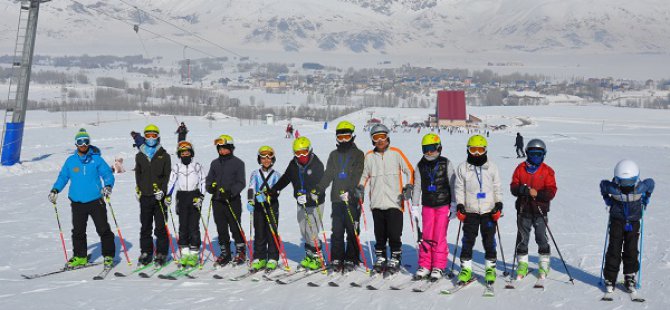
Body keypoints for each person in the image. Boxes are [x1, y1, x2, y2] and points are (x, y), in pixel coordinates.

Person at [49, 128, 115, 268]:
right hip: (77, 202)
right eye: (80, 142)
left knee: (103, 229)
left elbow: (107, 174)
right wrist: (55, 189)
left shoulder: (96, 159)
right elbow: (63, 177)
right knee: (78, 231)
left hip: (96, 200)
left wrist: (108, 186)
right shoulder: (71, 161)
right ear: (76, 144)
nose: (83, 144)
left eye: (86, 141)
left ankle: (108, 255)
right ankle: (80, 256)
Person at [356, 124, 414, 274]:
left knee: (394, 233)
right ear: (372, 140)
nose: (380, 140)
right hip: (376, 202)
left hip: (395, 201)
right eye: (376, 137)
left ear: (388, 137)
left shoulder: (396, 153)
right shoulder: (369, 157)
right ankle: (381, 257)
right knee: (379, 234)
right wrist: (361, 187)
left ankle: (395, 257)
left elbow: (410, 171)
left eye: (383, 136)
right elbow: (363, 175)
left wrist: (409, 186)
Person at [313, 121, 365, 273]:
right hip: (336, 198)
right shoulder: (333, 155)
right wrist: (319, 188)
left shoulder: (358, 154)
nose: (343, 140)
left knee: (352, 229)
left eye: (346, 136)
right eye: (340, 137)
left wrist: (350, 190)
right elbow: (328, 174)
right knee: (336, 230)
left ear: (352, 136)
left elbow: (358, 174)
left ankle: (351, 257)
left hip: (352, 198)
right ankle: (337, 258)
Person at [270, 137, 325, 270]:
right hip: (301, 202)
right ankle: (309, 256)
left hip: (315, 203)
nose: (301, 156)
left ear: (309, 150)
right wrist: (274, 189)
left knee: (312, 231)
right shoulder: (293, 164)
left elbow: (320, 187)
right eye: (297, 153)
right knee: (304, 231)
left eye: (304, 152)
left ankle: (318, 259)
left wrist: (309, 197)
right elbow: (286, 178)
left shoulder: (317, 164)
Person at [454, 135, 503, 285]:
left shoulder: (492, 167)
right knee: (468, 240)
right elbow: (459, 188)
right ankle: (466, 269)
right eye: (473, 149)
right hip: (471, 211)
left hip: (488, 210)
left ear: (485, 150)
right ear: (468, 150)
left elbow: (497, 188)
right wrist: (460, 205)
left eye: (480, 150)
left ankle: (490, 268)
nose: (476, 153)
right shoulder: (462, 168)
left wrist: (498, 204)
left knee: (489, 240)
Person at [600, 160, 654, 293]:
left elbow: (651, 183)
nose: (626, 186)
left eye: (630, 182)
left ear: (636, 178)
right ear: (617, 179)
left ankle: (630, 277)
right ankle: (610, 278)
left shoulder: (641, 187)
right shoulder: (613, 188)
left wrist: (647, 198)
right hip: (617, 221)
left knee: (631, 249)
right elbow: (603, 185)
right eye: (623, 182)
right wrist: (607, 199)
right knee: (614, 249)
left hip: (634, 221)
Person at [510, 139, 557, 280]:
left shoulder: (547, 171)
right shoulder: (521, 168)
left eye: (538, 153)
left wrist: (539, 194)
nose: (535, 156)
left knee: (541, 237)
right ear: (527, 153)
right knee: (522, 239)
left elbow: (552, 191)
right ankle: (522, 265)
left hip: (540, 211)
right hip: (524, 210)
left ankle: (543, 263)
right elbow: (513, 187)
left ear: (543, 154)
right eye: (532, 153)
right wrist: (523, 190)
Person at [411, 133, 456, 280]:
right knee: (426, 236)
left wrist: (454, 204)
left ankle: (438, 266)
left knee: (439, 237)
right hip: (428, 206)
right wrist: (415, 205)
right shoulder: (420, 165)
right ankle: (425, 265)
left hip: (443, 205)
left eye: (432, 148)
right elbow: (417, 186)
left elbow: (453, 184)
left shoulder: (446, 163)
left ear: (439, 148)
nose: (429, 152)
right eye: (425, 149)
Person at [205, 135, 247, 267]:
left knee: (235, 226)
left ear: (230, 148)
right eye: (219, 149)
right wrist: (210, 187)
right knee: (221, 228)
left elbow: (241, 182)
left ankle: (241, 251)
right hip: (218, 201)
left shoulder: (238, 163)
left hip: (232, 200)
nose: (222, 151)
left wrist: (231, 192)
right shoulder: (214, 163)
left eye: (224, 148)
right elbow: (209, 179)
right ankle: (225, 253)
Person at [135, 124, 172, 266]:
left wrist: (163, 191)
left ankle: (162, 252)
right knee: (145, 226)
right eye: (148, 135)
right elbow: (138, 174)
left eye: (154, 135)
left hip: (159, 197)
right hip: (145, 196)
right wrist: (138, 188)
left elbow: (168, 176)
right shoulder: (140, 155)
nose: (151, 138)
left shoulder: (164, 155)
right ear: (145, 137)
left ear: (158, 137)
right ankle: (146, 252)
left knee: (160, 227)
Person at [165, 141, 206, 267]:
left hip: (194, 196)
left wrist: (201, 196)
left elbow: (203, 181)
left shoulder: (197, 166)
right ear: (179, 154)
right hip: (182, 196)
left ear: (191, 153)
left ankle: (194, 253)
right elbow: (171, 182)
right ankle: (185, 252)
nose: (185, 154)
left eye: (187, 152)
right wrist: (168, 195)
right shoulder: (177, 167)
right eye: (182, 152)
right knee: (183, 226)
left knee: (194, 226)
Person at [247, 146, 282, 272]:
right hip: (258, 206)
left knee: (271, 231)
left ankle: (273, 257)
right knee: (260, 231)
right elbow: (251, 188)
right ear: (259, 159)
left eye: (269, 158)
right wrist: (250, 201)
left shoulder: (276, 175)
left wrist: (268, 196)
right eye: (263, 158)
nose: (266, 161)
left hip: (271, 205)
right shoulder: (255, 174)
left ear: (272, 159)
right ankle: (259, 257)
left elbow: (277, 190)